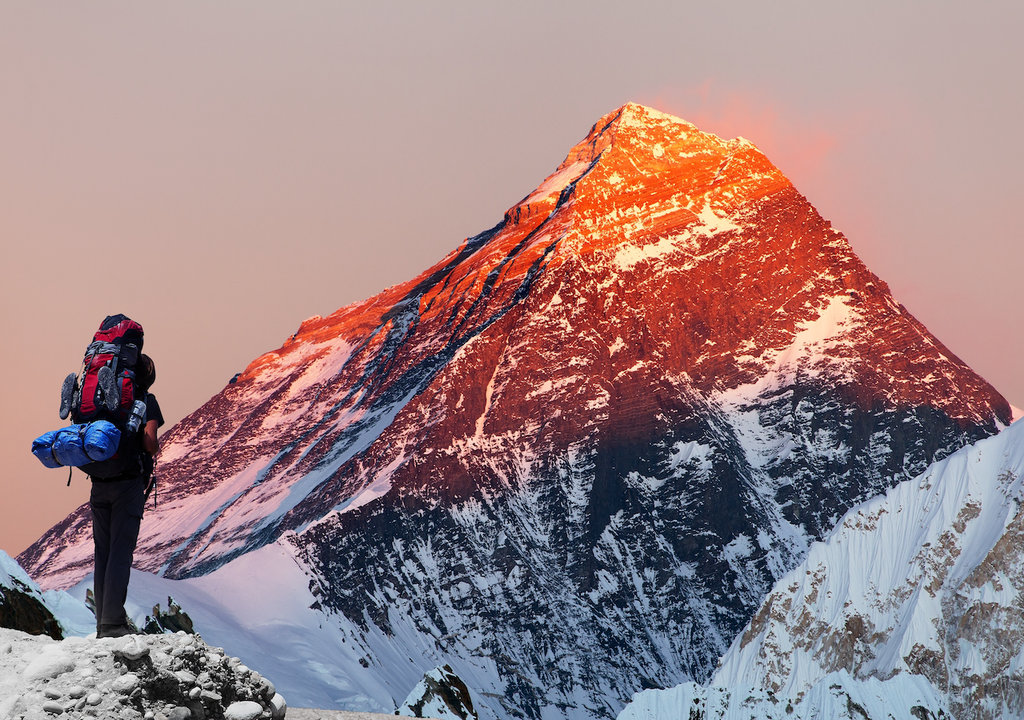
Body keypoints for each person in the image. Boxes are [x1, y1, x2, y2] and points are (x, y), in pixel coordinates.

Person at [90, 353, 164, 638]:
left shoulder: (104, 399)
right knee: (120, 554)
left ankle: (101, 625)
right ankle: (113, 624)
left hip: (99, 482)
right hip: (128, 485)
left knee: (103, 555)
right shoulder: (147, 399)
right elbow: (149, 442)